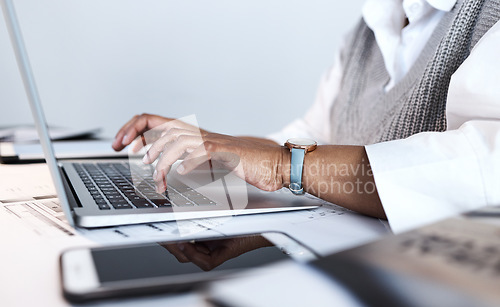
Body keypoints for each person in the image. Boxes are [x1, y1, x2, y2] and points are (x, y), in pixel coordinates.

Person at [112, 0, 500, 233]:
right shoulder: (370, 27)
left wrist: (284, 165)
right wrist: (211, 146)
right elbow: (310, 138)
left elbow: (484, 170)